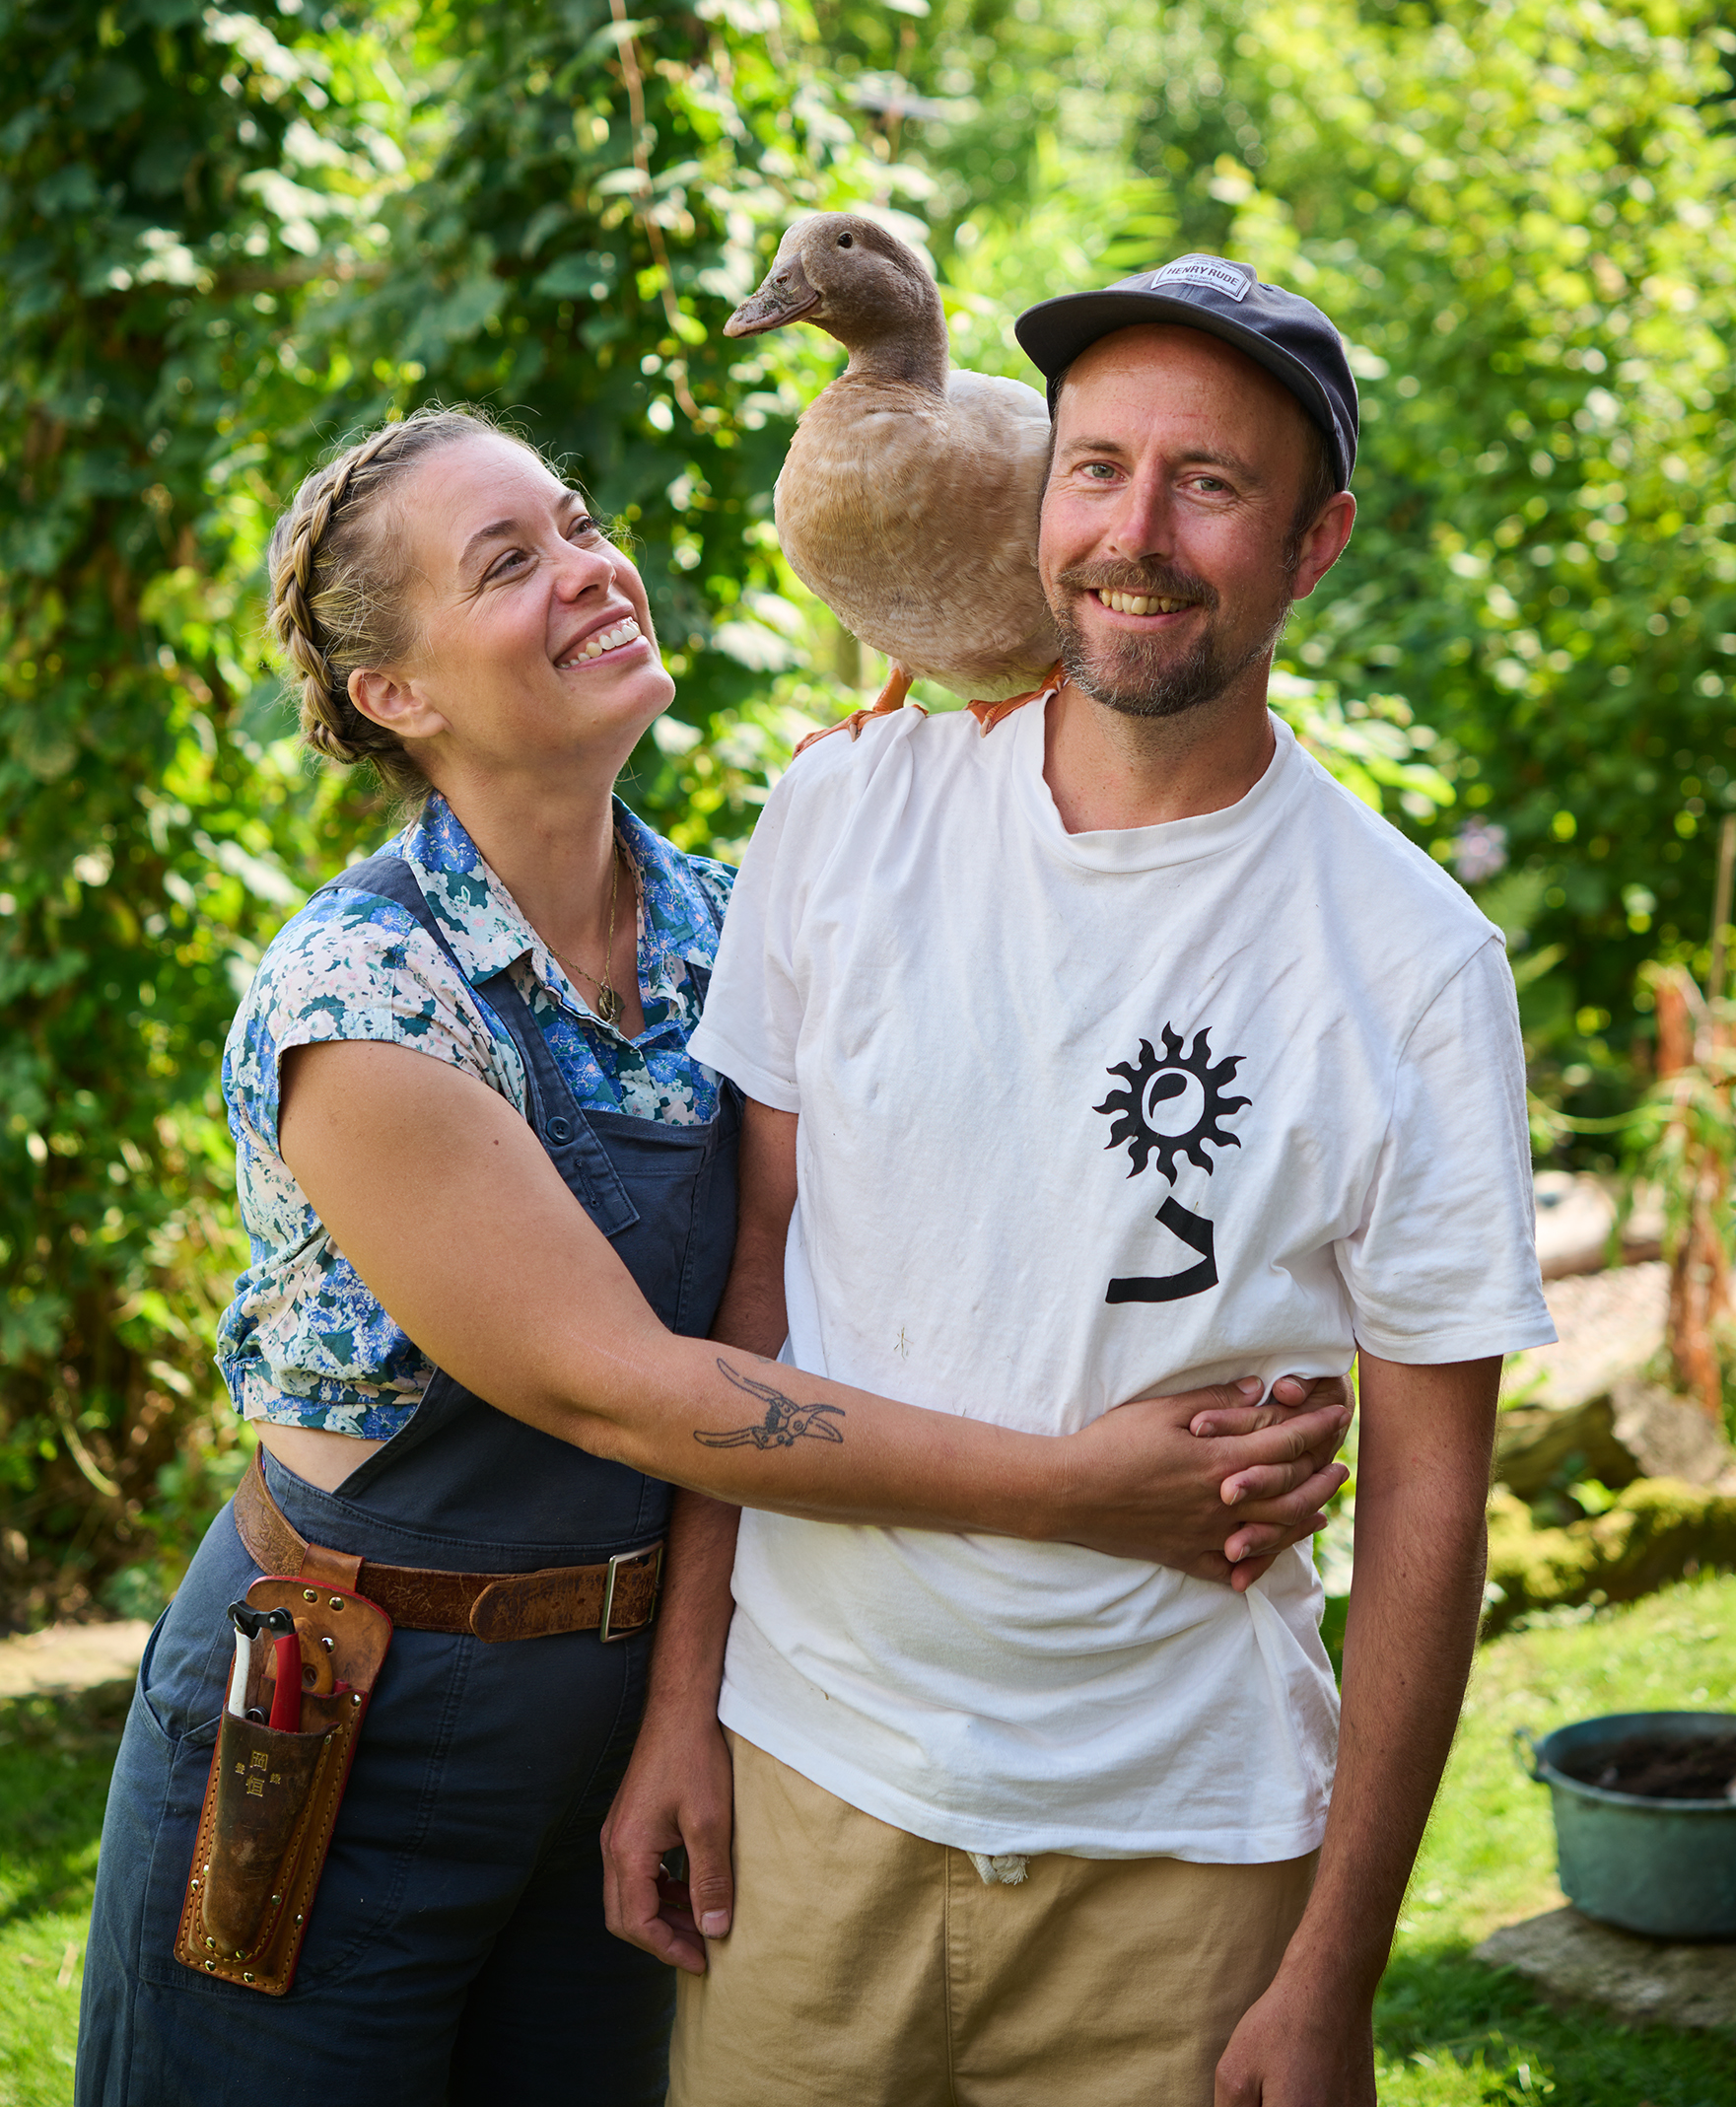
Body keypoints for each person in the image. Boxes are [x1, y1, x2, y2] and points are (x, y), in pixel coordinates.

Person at [77, 402, 1354, 2107]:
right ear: (396, 693)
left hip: (628, 1722)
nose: (591, 567)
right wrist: (1075, 1484)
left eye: (578, 520)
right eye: (508, 561)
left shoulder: (722, 922)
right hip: (347, 1732)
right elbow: (635, 1392)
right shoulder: (361, 1002)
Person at [601, 253, 1555, 2107]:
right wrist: (679, 1710)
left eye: (1209, 482)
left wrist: (1335, 1967)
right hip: (809, 1796)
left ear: (1315, 541)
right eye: (1094, 465)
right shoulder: (843, 815)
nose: (1135, 531)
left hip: (1186, 1856)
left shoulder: (1412, 964)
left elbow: (1436, 1494)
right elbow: (760, 1281)